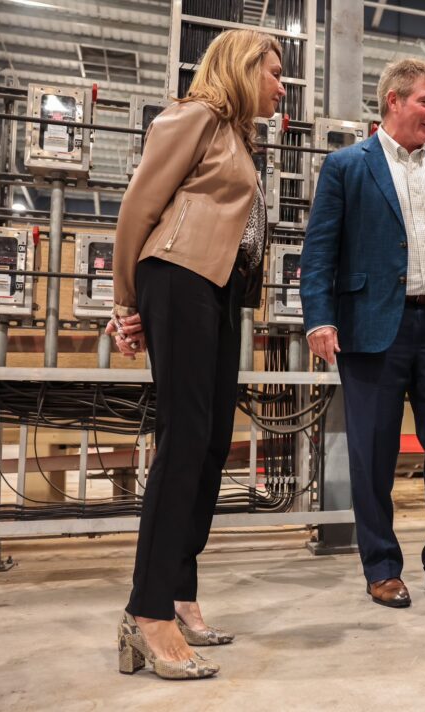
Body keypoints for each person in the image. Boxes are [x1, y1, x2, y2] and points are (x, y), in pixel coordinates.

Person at [108, 29, 286, 680]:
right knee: (184, 438)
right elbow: (138, 207)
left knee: (210, 443)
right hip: (178, 276)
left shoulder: (237, 136)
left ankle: (178, 591)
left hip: (219, 290)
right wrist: (127, 303)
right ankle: (146, 610)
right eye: (275, 71)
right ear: (243, 68)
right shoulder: (195, 117)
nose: (282, 84)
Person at [300, 59, 425, 608]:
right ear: (393, 100)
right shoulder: (346, 166)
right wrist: (319, 317)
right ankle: (382, 565)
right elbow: (320, 251)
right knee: (373, 453)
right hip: (370, 329)